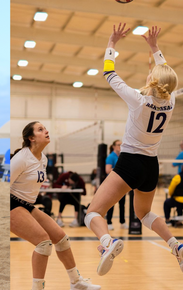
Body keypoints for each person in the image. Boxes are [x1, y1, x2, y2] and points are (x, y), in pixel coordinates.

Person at [84, 23, 183, 276]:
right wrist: (154, 48)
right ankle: (176, 245)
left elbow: (109, 73)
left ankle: (107, 243)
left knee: (93, 212)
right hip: (151, 165)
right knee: (145, 214)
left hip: (129, 162)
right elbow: (166, 74)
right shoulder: (170, 102)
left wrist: (111, 43)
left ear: (152, 78)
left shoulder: (138, 100)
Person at [11, 121, 101, 290]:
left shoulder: (43, 159)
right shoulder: (22, 158)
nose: (46, 131)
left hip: (27, 205)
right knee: (43, 243)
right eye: (40, 129)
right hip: (10, 203)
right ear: (31, 138)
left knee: (62, 239)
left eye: (45, 128)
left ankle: (76, 282)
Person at [105, 140, 128, 231]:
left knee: (122, 204)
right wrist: (119, 171)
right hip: (112, 184)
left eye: (121, 145)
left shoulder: (122, 156)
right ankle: (109, 222)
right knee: (111, 204)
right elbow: (107, 170)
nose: (120, 146)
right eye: (118, 145)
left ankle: (122, 222)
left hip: (121, 184)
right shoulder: (111, 156)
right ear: (114, 146)